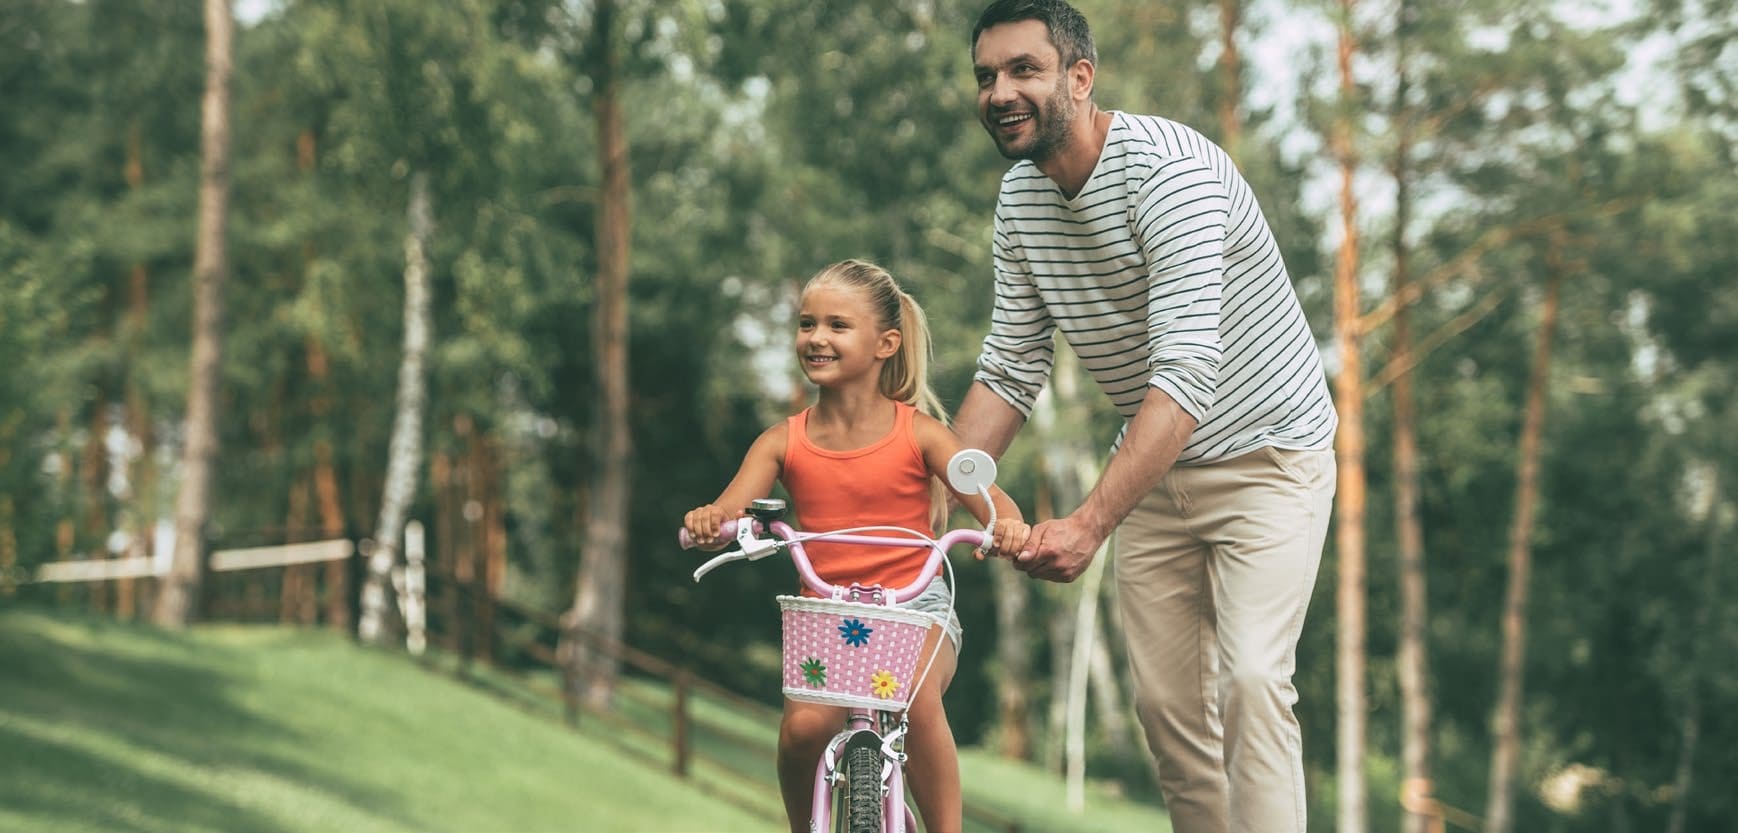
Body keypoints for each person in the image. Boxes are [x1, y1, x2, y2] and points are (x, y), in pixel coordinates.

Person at [957, 3, 1339, 832]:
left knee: (1250, 683)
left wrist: (1089, 524)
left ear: (1080, 78)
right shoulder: (1021, 200)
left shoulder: (1171, 175)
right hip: (1160, 471)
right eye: (987, 75)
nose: (1000, 92)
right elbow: (1012, 367)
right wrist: (938, 492)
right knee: (1168, 712)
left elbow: (1186, 381)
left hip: (1270, 460)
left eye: (1024, 69)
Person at [683, 259, 1030, 833]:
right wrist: (709, 522)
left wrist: (1008, 528)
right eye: (807, 324)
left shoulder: (920, 432)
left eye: (837, 325)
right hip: (827, 613)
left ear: (885, 343)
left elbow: (995, 504)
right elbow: (729, 511)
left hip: (916, 611)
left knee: (915, 701)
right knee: (801, 732)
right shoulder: (781, 441)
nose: (816, 337)